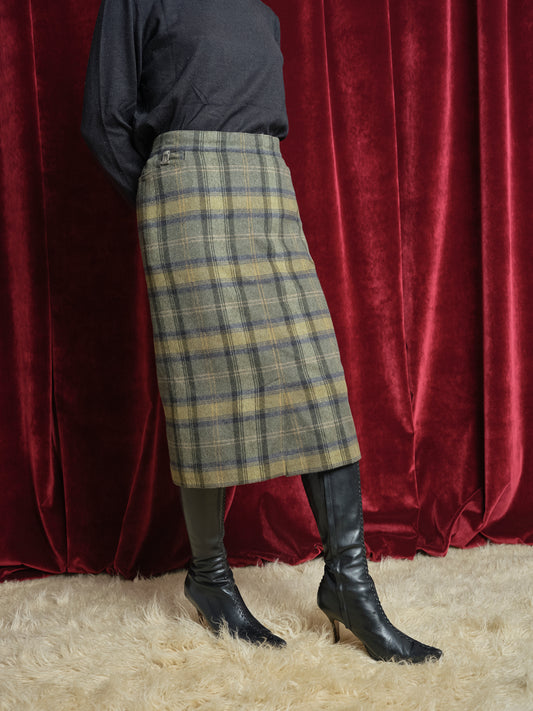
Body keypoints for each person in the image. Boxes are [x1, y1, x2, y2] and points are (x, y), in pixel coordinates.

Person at [81, 0, 442, 664]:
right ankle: (210, 579)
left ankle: (349, 584)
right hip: (183, 189)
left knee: (319, 383)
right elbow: (104, 120)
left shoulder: (262, 12)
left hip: (266, 183)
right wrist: (161, 203)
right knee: (203, 393)